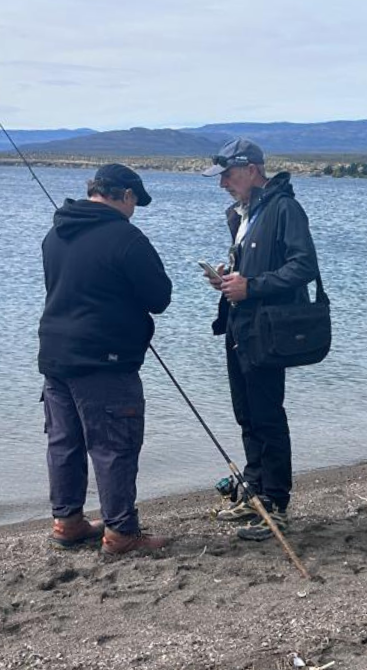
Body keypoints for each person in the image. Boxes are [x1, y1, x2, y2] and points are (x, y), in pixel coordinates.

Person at [38, 163, 173, 555]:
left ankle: (67, 522)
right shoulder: (126, 237)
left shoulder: (55, 233)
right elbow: (159, 297)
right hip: (106, 360)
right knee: (114, 445)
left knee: (65, 441)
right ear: (125, 195)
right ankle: (120, 532)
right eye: (135, 202)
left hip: (55, 355)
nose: (134, 210)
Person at [201, 137, 320, 542]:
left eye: (228, 176)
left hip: (269, 331)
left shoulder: (285, 208)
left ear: (252, 169)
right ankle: (254, 494)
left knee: (268, 415)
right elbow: (253, 267)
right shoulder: (243, 213)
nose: (223, 185)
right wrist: (228, 278)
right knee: (246, 413)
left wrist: (251, 286)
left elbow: (304, 266)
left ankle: (277, 504)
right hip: (240, 327)